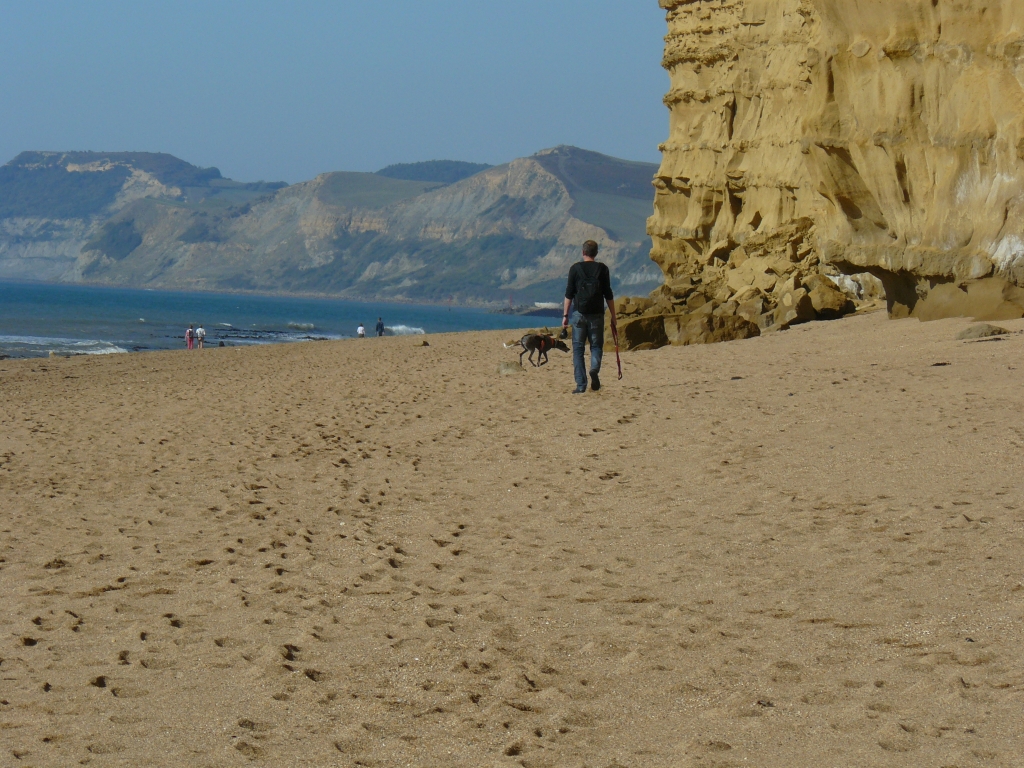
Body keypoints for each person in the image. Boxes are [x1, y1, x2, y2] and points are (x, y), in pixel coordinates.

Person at [562, 240, 616, 394]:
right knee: (596, 346)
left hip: (579, 314)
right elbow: (608, 294)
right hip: (597, 315)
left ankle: (581, 385)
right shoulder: (602, 269)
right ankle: (594, 369)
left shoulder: (575, 269)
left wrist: (565, 315)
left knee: (578, 349)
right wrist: (613, 315)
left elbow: (568, 294)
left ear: (583, 252)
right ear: (596, 253)